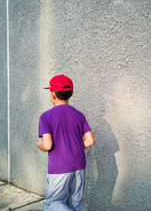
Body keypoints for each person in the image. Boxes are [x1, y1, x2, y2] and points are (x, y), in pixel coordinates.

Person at [37, 75, 95, 211]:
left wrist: (38, 144)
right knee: (76, 203)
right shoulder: (79, 115)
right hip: (79, 166)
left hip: (59, 168)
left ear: (52, 94)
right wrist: (75, 146)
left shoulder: (46, 117)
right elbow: (90, 140)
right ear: (71, 93)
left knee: (54, 203)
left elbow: (47, 145)